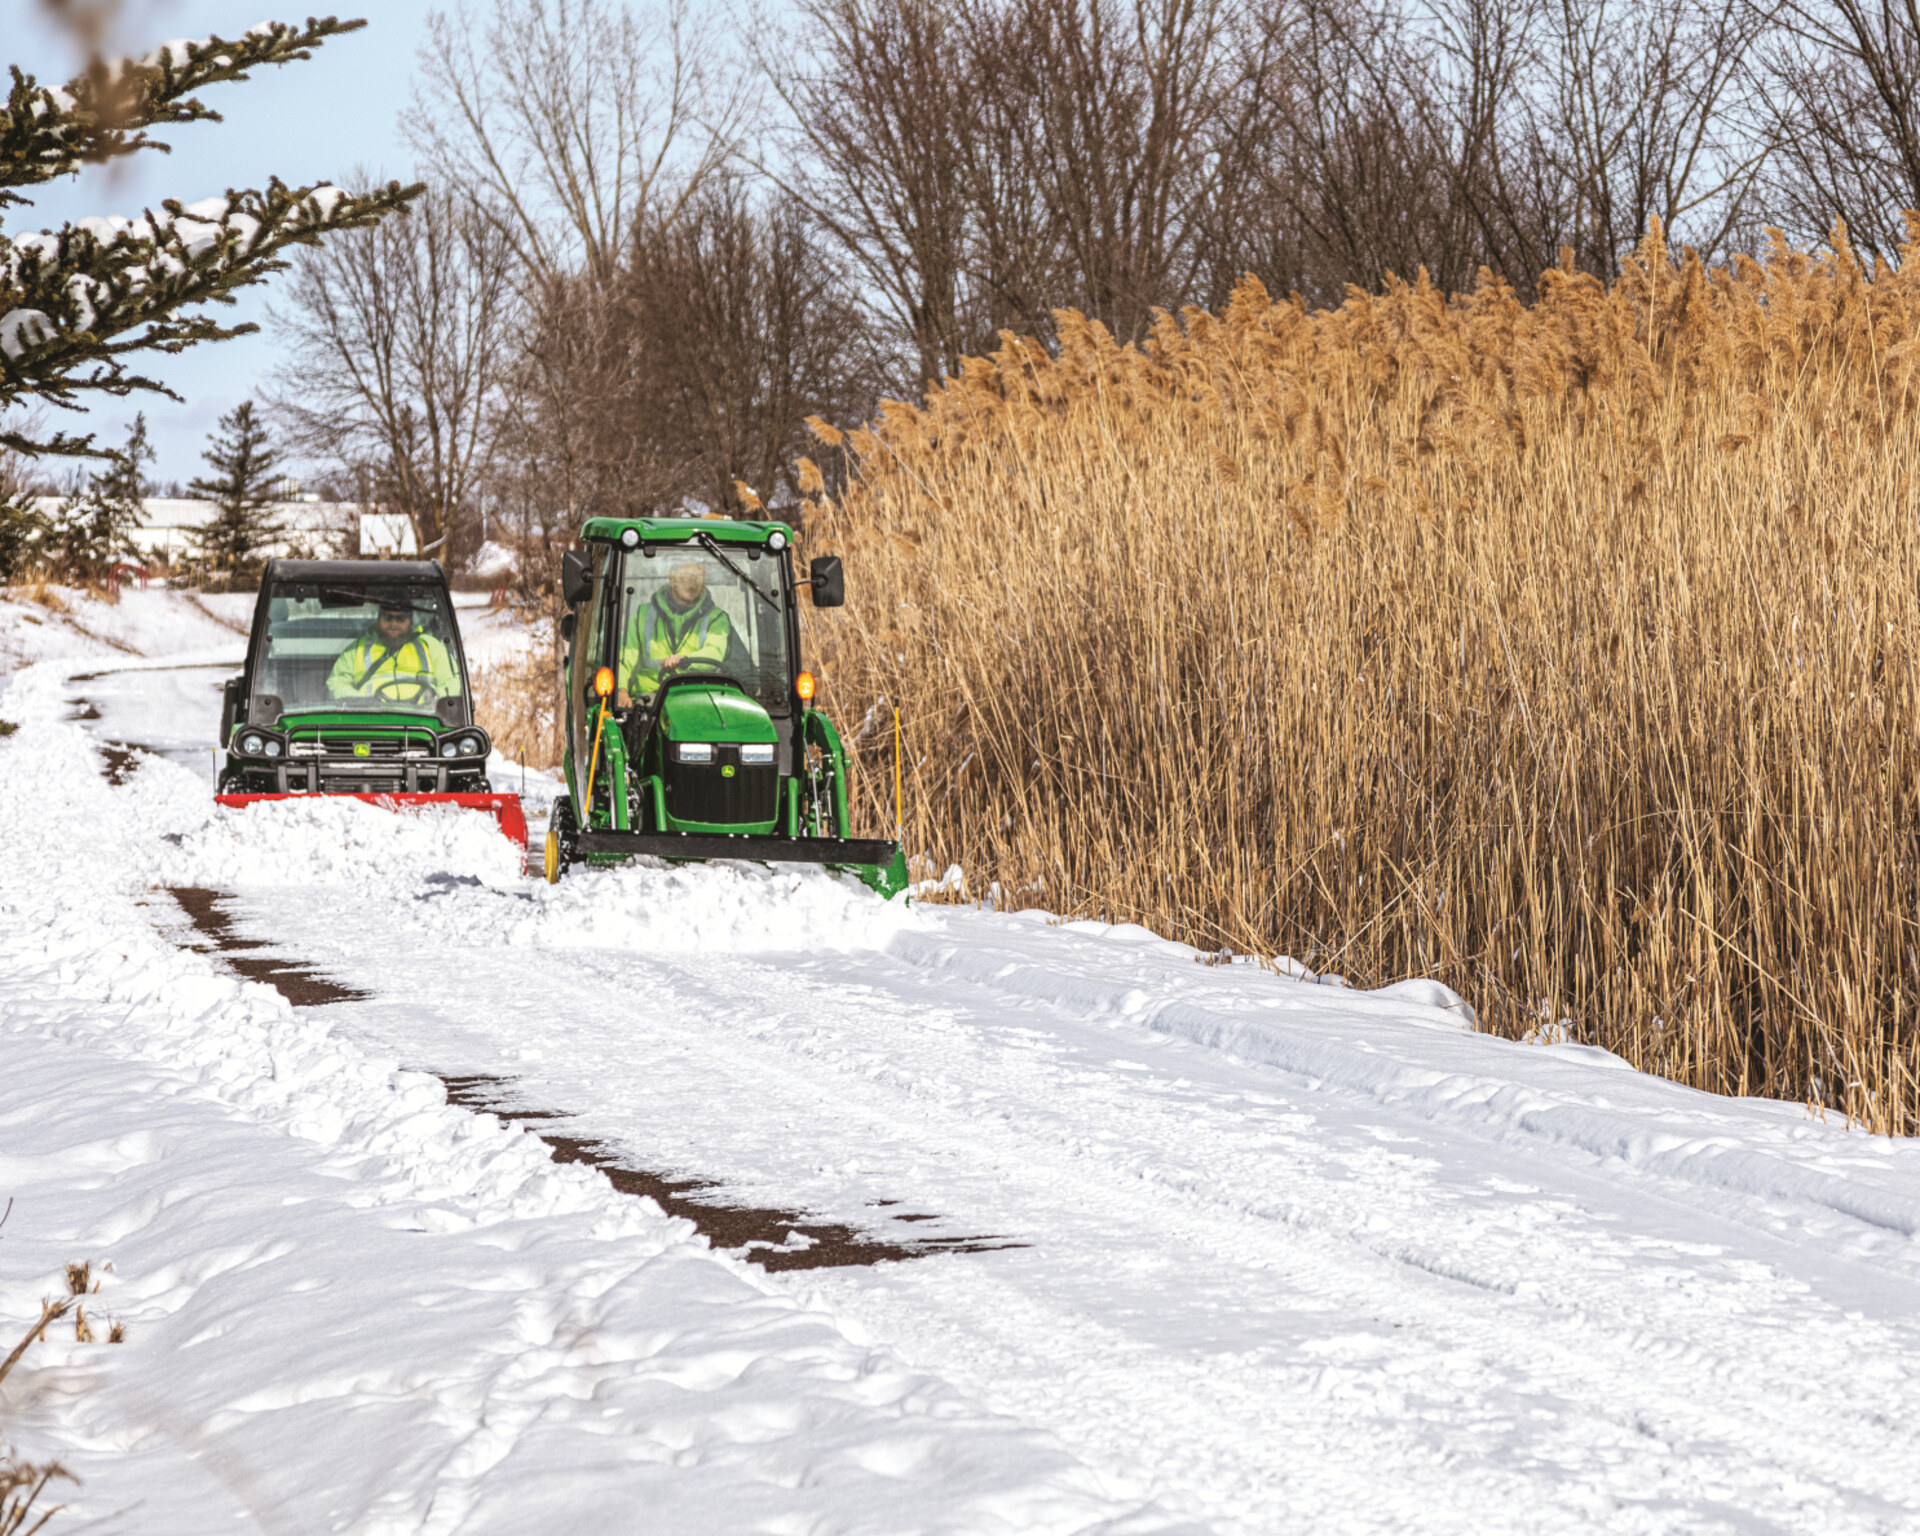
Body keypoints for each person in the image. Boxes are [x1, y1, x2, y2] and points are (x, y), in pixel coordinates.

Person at [616, 559, 731, 707]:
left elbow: (715, 652)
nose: (693, 582)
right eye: (687, 576)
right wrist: (620, 690)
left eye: (698, 576)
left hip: (699, 697)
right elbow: (624, 658)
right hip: (649, 699)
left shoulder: (716, 618)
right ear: (672, 578)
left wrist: (685, 660)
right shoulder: (642, 615)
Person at [325, 598, 460, 704]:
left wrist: (438, 697)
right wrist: (361, 701)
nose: (394, 624)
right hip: (370, 723)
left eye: (400, 618)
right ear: (379, 619)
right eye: (388, 618)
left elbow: (454, 681)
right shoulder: (357, 649)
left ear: (410, 621)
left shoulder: (430, 646)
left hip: (425, 721)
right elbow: (336, 682)